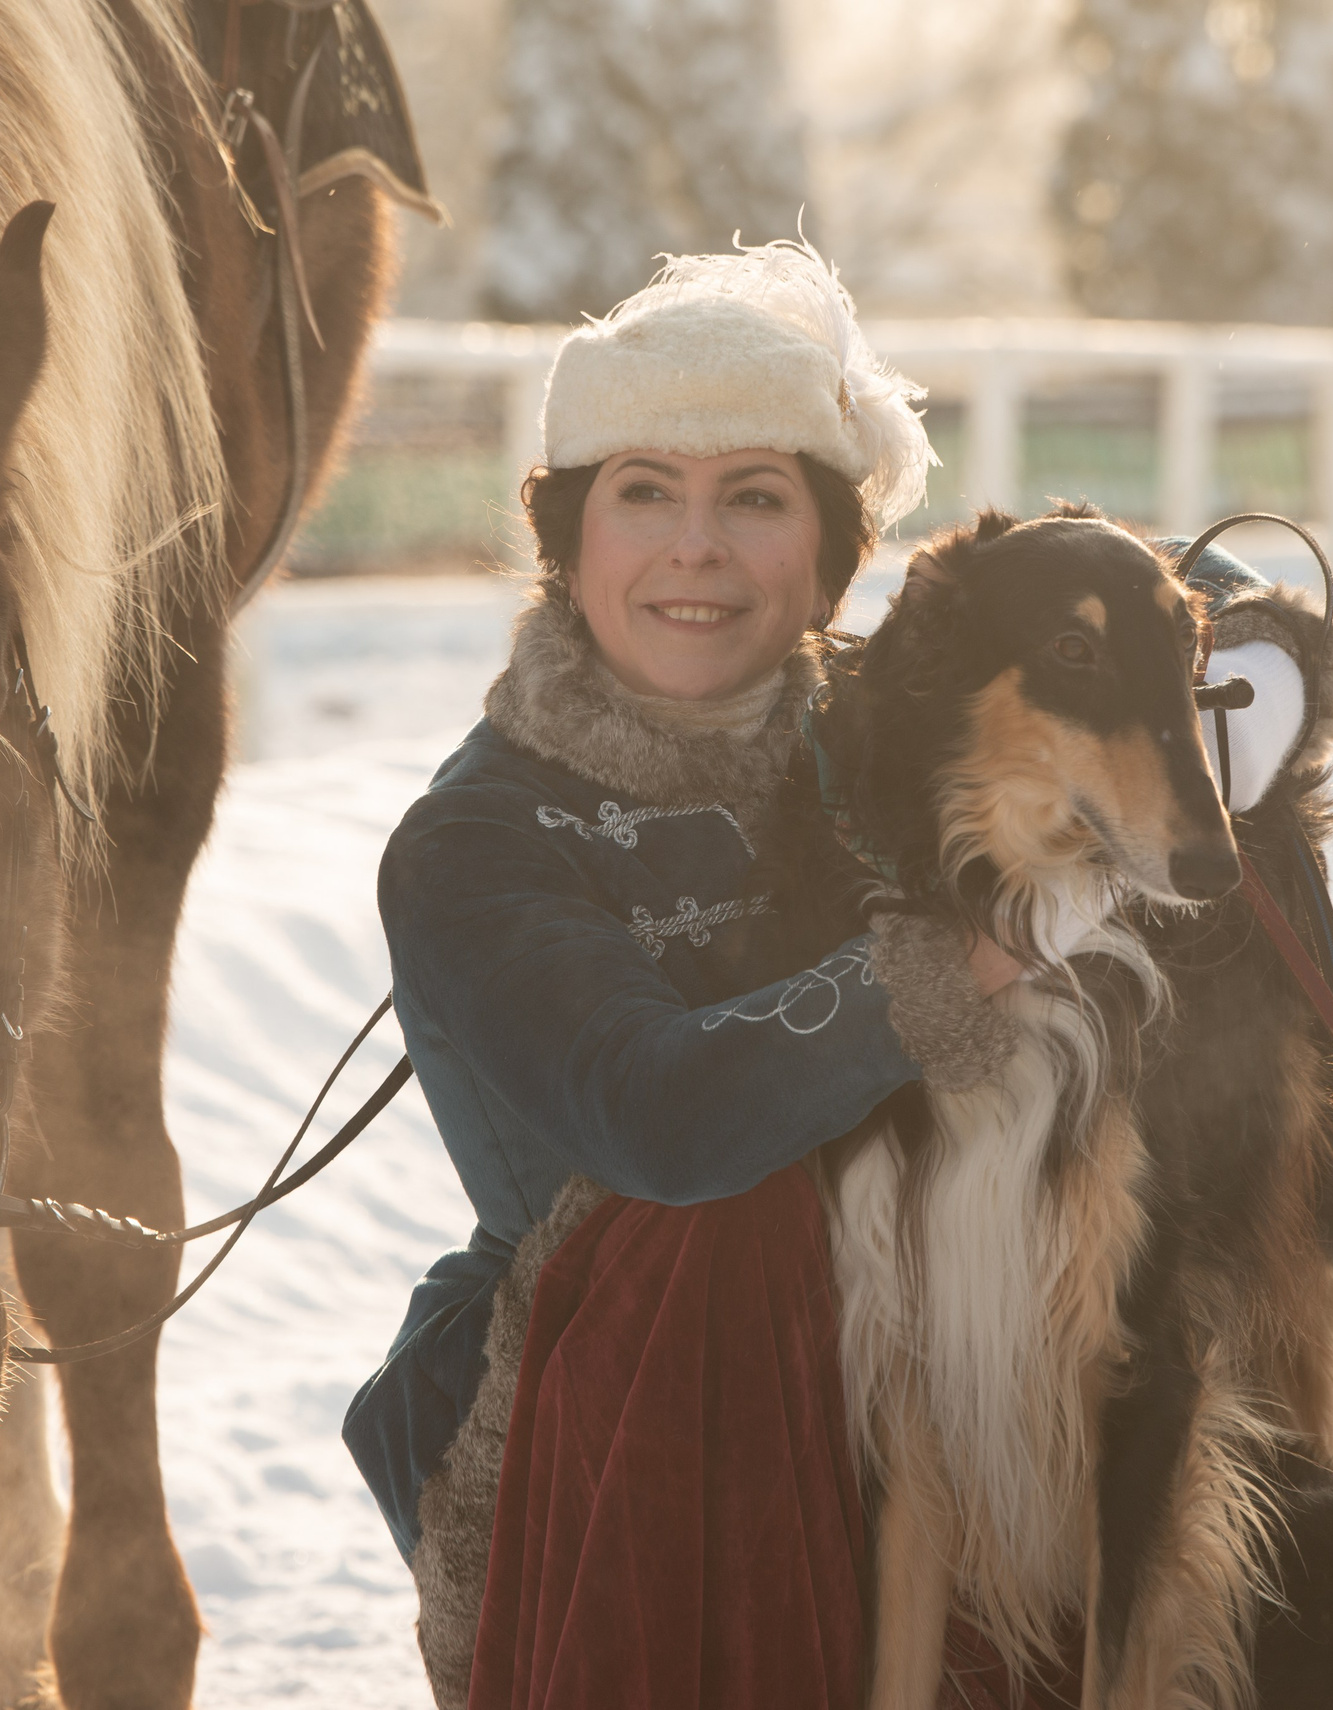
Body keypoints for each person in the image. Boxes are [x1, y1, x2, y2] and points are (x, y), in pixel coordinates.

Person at [342, 244, 1022, 1710]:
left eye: (755, 498)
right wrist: (954, 961)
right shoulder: (476, 839)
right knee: (717, 1214)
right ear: (569, 537)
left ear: (831, 555)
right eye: (643, 489)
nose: (694, 546)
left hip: (934, 1362)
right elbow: (661, 1119)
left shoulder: (883, 759)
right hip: (629, 1417)